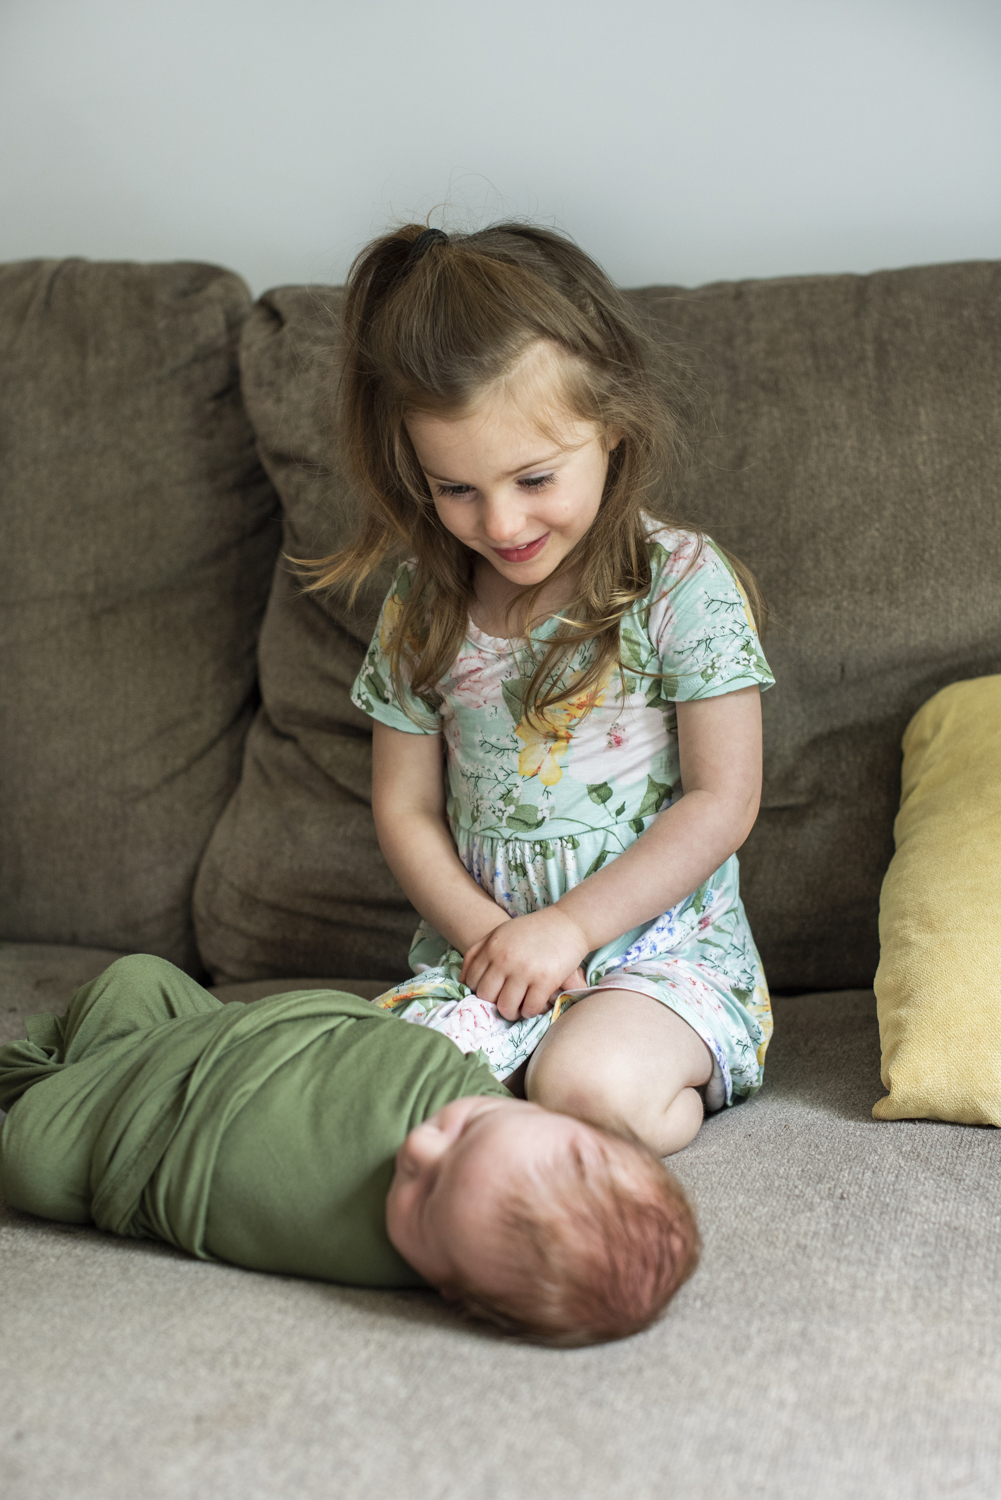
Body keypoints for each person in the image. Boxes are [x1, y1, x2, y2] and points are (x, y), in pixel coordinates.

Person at [310, 222, 776, 1156]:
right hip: (486, 961)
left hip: (659, 958)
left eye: (533, 477)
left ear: (610, 422)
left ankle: (649, 1094)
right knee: (363, 1105)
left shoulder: (678, 581)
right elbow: (404, 809)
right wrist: (492, 940)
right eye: (456, 489)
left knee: (587, 1082)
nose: (502, 522)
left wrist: (567, 928)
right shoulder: (421, 601)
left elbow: (722, 800)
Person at [0, 954, 698, 1346]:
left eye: (424, 1202)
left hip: (155, 1141)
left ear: (451, 1289)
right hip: (235, 1041)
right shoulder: (468, 1082)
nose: (419, 1149)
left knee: (31, 1160)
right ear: (556, 1120)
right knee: (139, 977)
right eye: (469, 1127)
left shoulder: (388, 1269)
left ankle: (101, 1067)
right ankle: (119, 1057)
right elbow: (369, 1039)